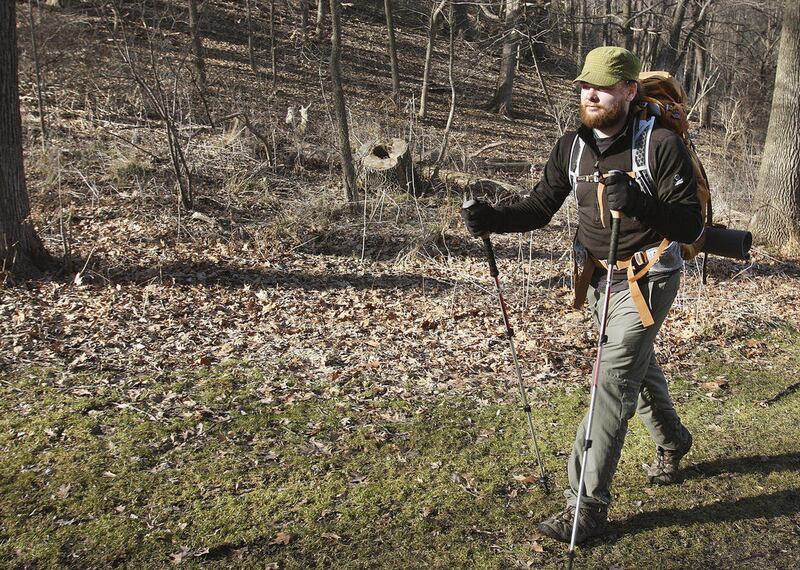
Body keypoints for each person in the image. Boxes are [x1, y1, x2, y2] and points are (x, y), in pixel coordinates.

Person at [461, 46, 702, 544]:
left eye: (604, 86)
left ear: (629, 90)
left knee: (610, 382)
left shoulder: (658, 144)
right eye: (586, 86)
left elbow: (690, 223)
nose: (591, 94)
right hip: (595, 277)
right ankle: (674, 441)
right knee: (635, 367)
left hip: (648, 277)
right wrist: (495, 220)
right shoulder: (573, 143)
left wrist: (639, 203)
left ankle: (585, 506)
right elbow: (539, 206)